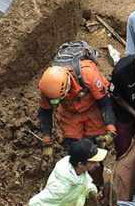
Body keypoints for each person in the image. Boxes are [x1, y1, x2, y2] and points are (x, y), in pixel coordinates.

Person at [37, 55, 116, 185]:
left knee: (93, 150)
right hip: (70, 114)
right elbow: (45, 112)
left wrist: (110, 130)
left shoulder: (89, 75)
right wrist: (47, 143)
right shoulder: (47, 86)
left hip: (92, 111)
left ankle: (96, 184)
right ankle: (72, 185)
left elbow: (104, 103)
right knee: (70, 151)